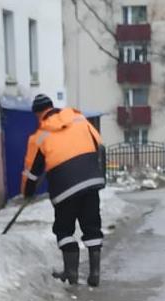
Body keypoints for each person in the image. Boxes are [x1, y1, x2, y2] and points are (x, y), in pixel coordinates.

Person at [22, 94, 106, 287]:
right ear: (52, 107)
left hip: (64, 187)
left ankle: (71, 273)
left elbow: (31, 173)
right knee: (91, 226)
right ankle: (95, 274)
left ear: (38, 114)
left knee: (65, 229)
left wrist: (28, 193)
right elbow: (98, 143)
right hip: (90, 180)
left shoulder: (40, 136)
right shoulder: (79, 119)